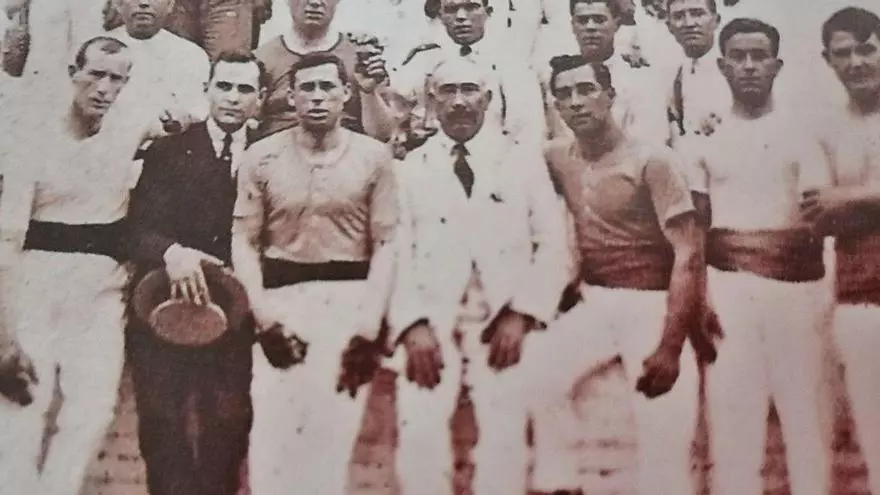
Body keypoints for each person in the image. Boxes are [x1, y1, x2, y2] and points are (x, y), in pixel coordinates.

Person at [526, 54, 710, 495]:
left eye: (586, 89)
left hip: (654, 304)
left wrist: (671, 344)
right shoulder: (556, 156)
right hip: (595, 301)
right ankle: (560, 484)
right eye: (564, 94)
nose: (576, 102)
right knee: (539, 373)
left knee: (663, 431)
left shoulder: (653, 161)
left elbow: (688, 254)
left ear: (609, 96)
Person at [387, 56, 570, 495]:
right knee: (420, 435)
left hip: (503, 318)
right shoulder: (409, 169)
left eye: (469, 90)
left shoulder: (520, 162)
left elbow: (553, 243)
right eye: (447, 91)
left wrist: (522, 314)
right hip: (431, 320)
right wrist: (411, 325)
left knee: (504, 435)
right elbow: (392, 253)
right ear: (432, 100)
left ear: (488, 99)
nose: (459, 101)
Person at [231, 52, 397, 495]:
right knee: (272, 430)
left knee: (334, 431)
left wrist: (368, 326)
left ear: (346, 93)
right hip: (282, 299)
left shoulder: (374, 157)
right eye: (307, 88)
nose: (318, 97)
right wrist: (264, 319)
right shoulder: (261, 156)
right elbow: (244, 240)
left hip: (348, 300)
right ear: (291, 96)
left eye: (327, 87)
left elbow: (387, 242)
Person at [682, 18, 833, 495]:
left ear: (776, 65)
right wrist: (699, 298)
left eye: (759, 56)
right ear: (723, 65)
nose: (749, 66)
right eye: (739, 57)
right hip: (727, 294)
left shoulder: (802, 134)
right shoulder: (702, 139)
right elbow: (697, 231)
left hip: (797, 294)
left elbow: (814, 227)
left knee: (806, 420)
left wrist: (755, 248)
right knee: (732, 422)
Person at [0, 36, 149, 495]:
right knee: (23, 407)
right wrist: (4, 335)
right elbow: (8, 239)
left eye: (116, 79)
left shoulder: (131, 128)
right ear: (73, 74)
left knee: (92, 411)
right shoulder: (31, 140)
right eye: (95, 74)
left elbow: (184, 118)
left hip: (101, 292)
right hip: (36, 283)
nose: (104, 88)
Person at [125, 50, 267, 495]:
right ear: (206, 89)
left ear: (260, 98)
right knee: (163, 424)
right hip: (166, 304)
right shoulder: (169, 151)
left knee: (228, 424)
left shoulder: (270, 154)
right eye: (223, 86)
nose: (232, 98)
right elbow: (135, 227)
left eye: (244, 89)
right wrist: (172, 252)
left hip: (236, 315)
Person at [801, 7, 880, 495]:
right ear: (828, 60)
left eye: (867, 49)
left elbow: (836, 204)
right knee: (875, 427)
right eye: (843, 53)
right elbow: (818, 211)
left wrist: (850, 198)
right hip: (860, 295)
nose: (856, 62)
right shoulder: (825, 128)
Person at [391, 0, 544, 155]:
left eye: (471, 7)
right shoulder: (422, 61)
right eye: (451, 9)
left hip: (497, 157)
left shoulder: (511, 63)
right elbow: (396, 123)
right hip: (435, 158)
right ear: (440, 15)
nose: (461, 17)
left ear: (488, 12)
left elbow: (526, 128)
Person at [253, 0, 395, 141]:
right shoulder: (262, 60)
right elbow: (248, 126)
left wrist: (369, 92)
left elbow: (382, 134)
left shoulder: (360, 56)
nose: (315, 2)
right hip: (280, 150)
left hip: (347, 151)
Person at [540, 0, 669, 147]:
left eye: (599, 20)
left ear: (616, 24)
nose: (590, 27)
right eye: (582, 21)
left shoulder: (640, 78)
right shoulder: (559, 80)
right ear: (573, 26)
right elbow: (557, 137)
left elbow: (650, 140)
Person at [105, 0, 211, 136]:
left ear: (170, 5)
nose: (144, 3)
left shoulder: (190, 54)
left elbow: (197, 109)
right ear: (117, 4)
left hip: (168, 142)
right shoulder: (95, 49)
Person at [665, 0, 729, 146]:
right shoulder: (671, 79)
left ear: (716, 21)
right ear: (669, 27)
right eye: (679, 16)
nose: (689, 23)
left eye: (698, 14)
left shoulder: (734, 72)